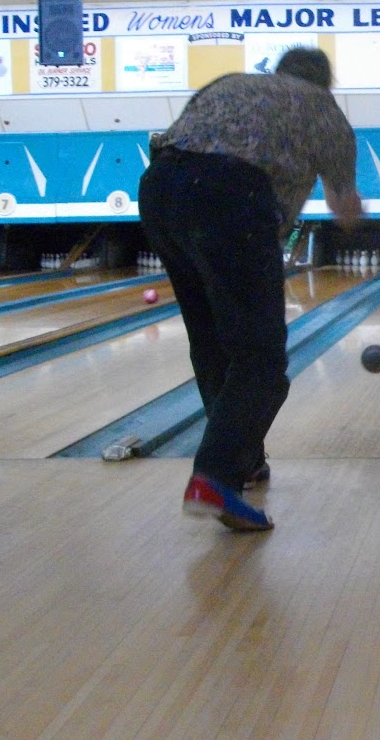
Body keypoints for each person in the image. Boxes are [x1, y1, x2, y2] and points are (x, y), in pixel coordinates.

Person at [139, 47, 362, 531]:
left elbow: (182, 142)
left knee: (213, 342)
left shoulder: (228, 83)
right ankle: (215, 478)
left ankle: (245, 460)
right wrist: (352, 219)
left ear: (278, 72)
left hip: (158, 189)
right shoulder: (325, 112)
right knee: (260, 359)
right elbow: (344, 203)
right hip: (232, 198)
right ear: (326, 82)